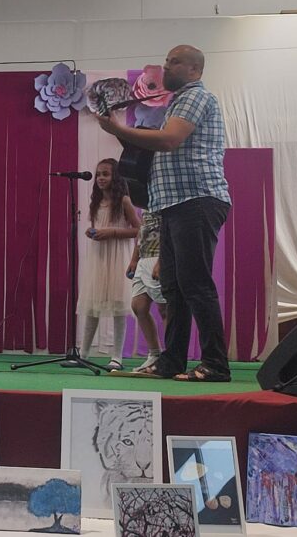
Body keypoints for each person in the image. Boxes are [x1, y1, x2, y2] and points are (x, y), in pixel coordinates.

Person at [97, 44, 232, 382]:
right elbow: (161, 146)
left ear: (195, 70)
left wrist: (118, 130)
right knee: (173, 287)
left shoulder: (195, 97)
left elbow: (169, 141)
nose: (166, 66)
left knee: (195, 284)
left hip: (197, 199)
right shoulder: (176, 103)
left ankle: (215, 364)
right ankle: (171, 362)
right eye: (166, 61)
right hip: (174, 204)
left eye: (175, 62)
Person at [74, 158, 141, 371]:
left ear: (115, 177)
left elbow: (139, 230)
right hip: (99, 257)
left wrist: (112, 232)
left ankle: (117, 356)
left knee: (118, 305)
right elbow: (99, 226)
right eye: (98, 174)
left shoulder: (124, 201)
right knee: (92, 305)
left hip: (117, 256)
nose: (101, 178)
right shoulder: (96, 201)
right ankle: (83, 354)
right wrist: (92, 232)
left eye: (106, 174)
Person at [124, 209, 168, 370]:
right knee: (138, 306)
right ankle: (154, 354)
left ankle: (171, 355)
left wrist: (162, 261)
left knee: (165, 308)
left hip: (159, 256)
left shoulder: (167, 203)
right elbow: (142, 230)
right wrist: (134, 259)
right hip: (144, 257)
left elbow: (170, 231)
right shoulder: (146, 205)